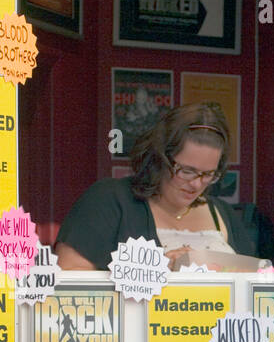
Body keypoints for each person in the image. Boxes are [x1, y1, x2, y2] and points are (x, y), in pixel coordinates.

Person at [55, 103, 261, 271]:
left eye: (208, 174)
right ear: (160, 158)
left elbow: (254, 278)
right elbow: (69, 275)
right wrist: (156, 267)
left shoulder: (222, 212)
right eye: (186, 171)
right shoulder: (110, 200)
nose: (197, 183)